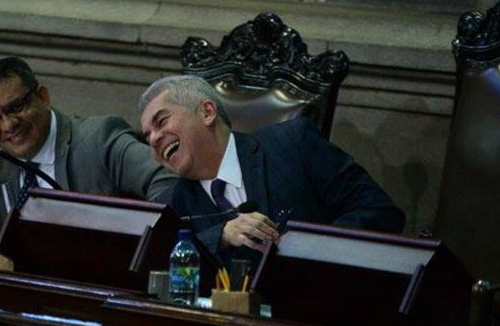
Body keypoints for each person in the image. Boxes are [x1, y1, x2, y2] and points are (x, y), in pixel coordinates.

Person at [139, 75, 405, 263]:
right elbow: (162, 267)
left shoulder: (293, 144)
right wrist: (221, 235)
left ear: (207, 112)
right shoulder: (179, 202)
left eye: (161, 121)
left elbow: (380, 213)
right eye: (147, 135)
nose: (153, 139)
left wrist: (304, 248)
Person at [0, 57, 178, 254]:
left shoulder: (98, 139)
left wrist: (135, 249)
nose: (8, 125)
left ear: (43, 97)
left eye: (16, 106)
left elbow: (166, 180)